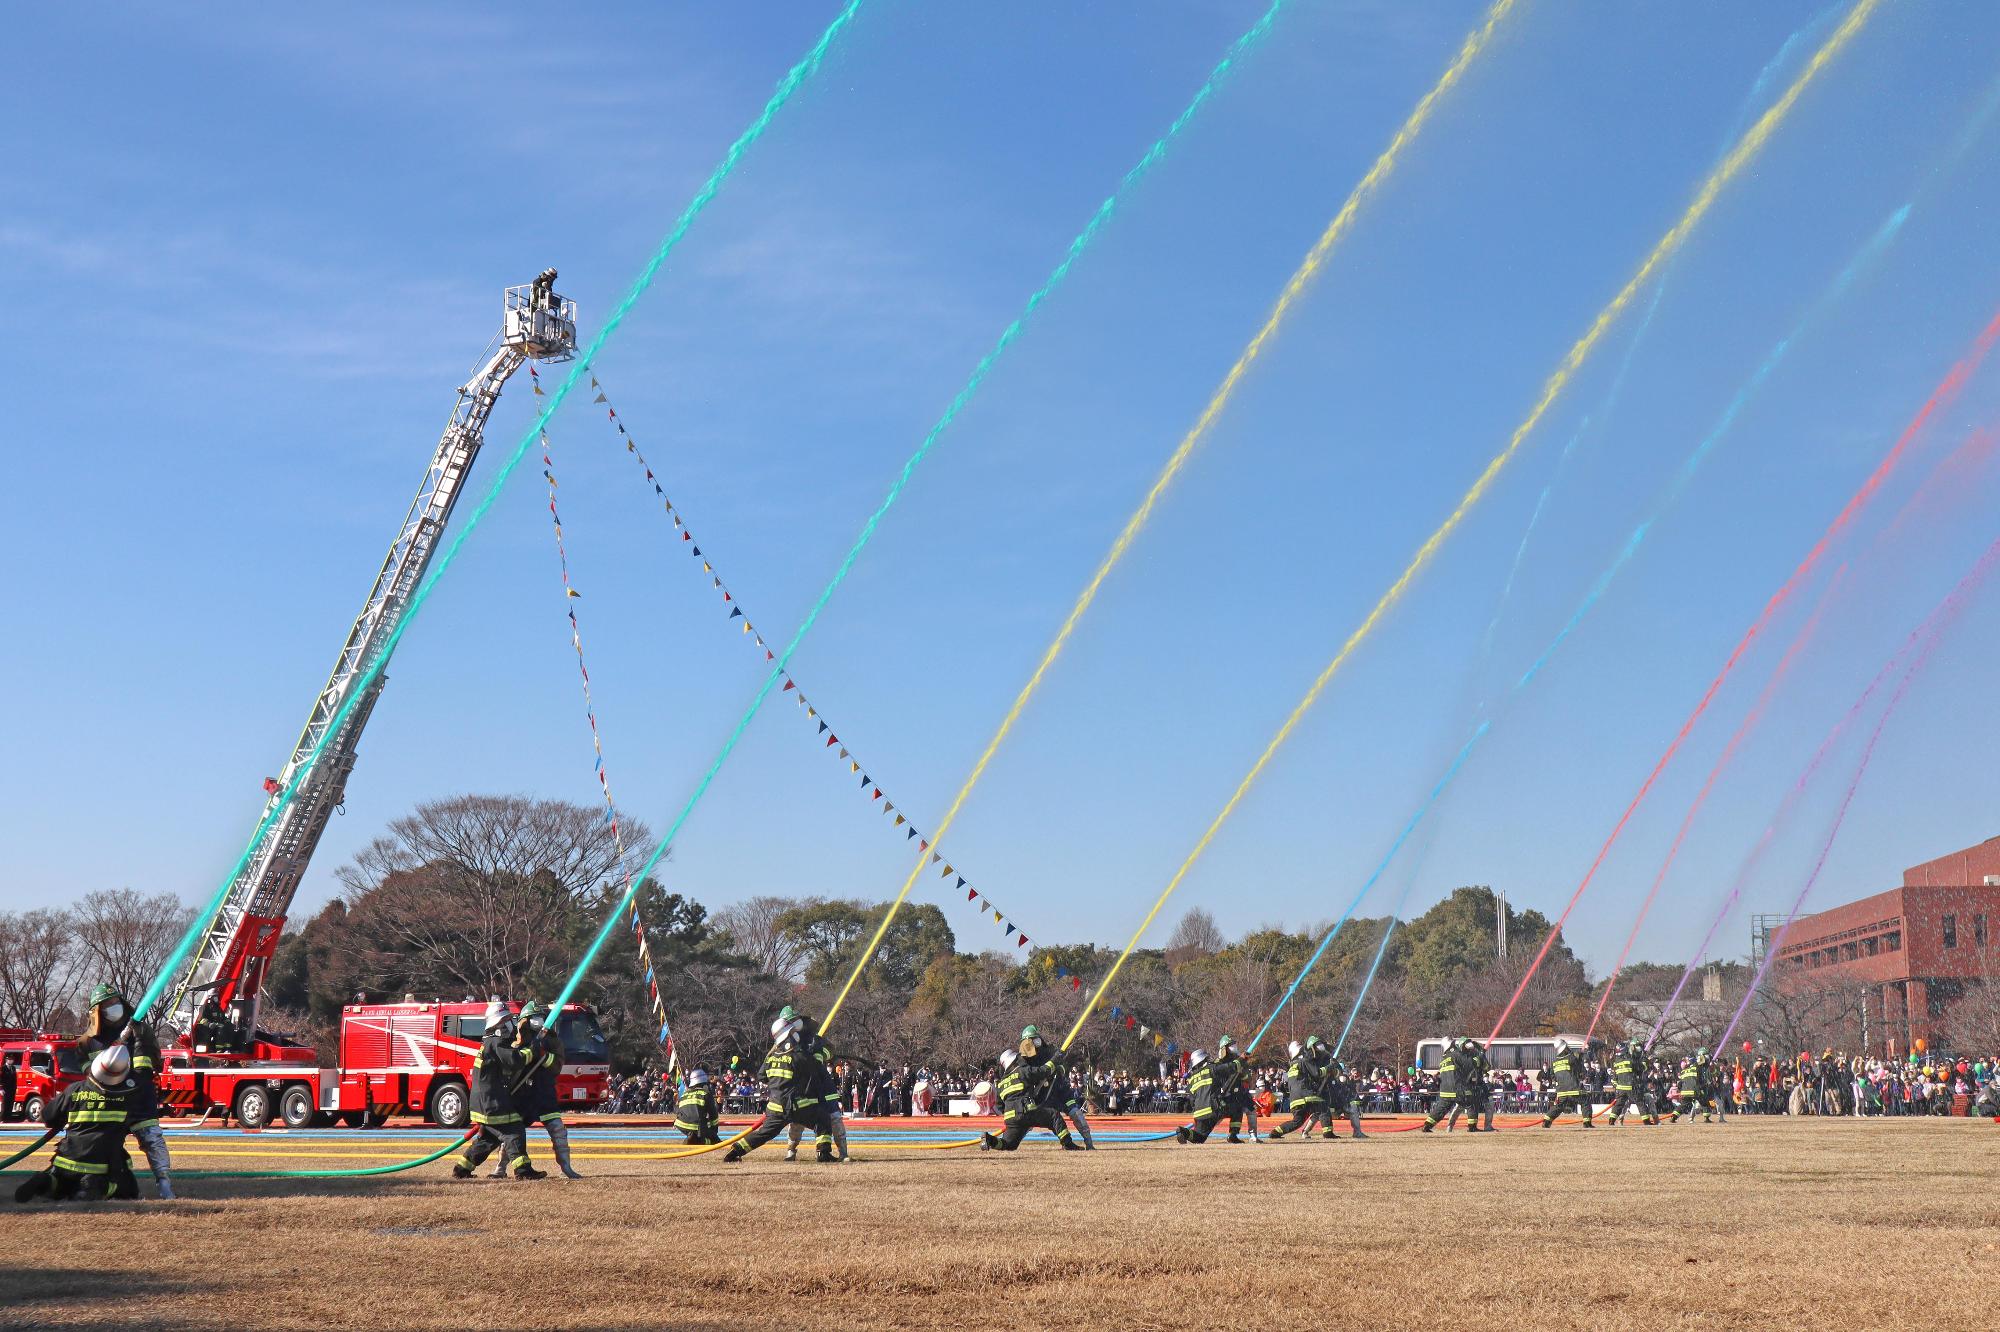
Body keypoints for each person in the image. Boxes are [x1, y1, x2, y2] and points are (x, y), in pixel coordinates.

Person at [76, 984, 172, 1199]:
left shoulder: (139, 1029)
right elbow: (88, 1074)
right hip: (108, 1104)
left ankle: (165, 1184)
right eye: (107, 1004)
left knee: (152, 1139)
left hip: (139, 1097)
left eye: (115, 1001)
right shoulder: (88, 1042)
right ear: (97, 1011)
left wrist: (139, 1066)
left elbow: (149, 1060)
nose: (113, 1006)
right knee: (103, 1145)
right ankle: (101, 1185)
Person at [13, 1046, 143, 1203]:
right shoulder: (128, 1097)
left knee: (60, 1185)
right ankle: (95, 1186)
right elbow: (139, 1124)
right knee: (129, 1189)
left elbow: (47, 1116)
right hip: (102, 1164)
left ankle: (46, 1182)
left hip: (67, 1161)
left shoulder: (75, 1090)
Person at [451, 1001, 545, 1180]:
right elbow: (515, 1060)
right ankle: (523, 1171)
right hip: (491, 1101)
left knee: (489, 1138)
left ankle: (462, 1168)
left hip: (481, 1101)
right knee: (514, 1129)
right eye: (508, 1021)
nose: (511, 1026)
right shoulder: (496, 1043)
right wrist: (534, 1046)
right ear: (499, 1024)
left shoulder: (488, 1043)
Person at [725, 1010, 833, 1163]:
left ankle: (735, 1151)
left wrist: (778, 1083)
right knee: (822, 1119)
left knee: (764, 1133)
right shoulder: (798, 1055)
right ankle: (824, 1153)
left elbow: (762, 1076)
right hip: (798, 1106)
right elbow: (815, 1069)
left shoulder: (772, 1057)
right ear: (790, 1034)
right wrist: (817, 1051)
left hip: (776, 1107)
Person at [489, 1002, 580, 1179]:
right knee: (512, 1133)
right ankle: (500, 1167)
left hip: (544, 1093)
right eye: (533, 1018)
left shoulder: (552, 1040)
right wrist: (526, 1051)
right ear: (525, 1020)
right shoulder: (516, 1039)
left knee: (558, 1130)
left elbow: (557, 1065)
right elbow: (511, 1062)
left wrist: (544, 1055)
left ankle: (566, 1168)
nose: (537, 1021)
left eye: (540, 1017)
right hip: (522, 1094)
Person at [983, 1031, 1081, 1152]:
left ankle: (989, 1139)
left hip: (1011, 1118)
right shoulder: (1022, 1071)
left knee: (1009, 1144)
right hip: (1026, 1111)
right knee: (1054, 1116)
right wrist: (1057, 1057)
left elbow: (999, 1105)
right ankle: (1068, 1144)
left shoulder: (1002, 1083)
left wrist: (1012, 1113)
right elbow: (1044, 1070)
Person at [783, 1013, 849, 1162]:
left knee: (834, 1119)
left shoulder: (815, 1039)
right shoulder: (788, 1042)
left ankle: (841, 1153)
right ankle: (791, 1151)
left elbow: (831, 1051)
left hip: (823, 1085)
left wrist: (820, 1052)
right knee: (796, 1121)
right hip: (803, 1086)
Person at [1023, 1025, 1094, 1149]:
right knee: (1029, 1119)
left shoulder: (1049, 1051)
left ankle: (1089, 1143)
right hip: (1042, 1094)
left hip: (1060, 1089)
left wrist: (1060, 1066)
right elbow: (1034, 1073)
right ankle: (1010, 1141)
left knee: (1075, 1113)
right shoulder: (1025, 1060)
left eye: (1033, 1039)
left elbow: (1061, 1066)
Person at [1267, 1039, 1331, 1140]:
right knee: (1323, 1107)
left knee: (1297, 1121)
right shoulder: (1304, 1061)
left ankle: (1275, 1132)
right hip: (1305, 1094)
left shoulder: (1293, 1065)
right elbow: (1317, 1073)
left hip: (1295, 1099)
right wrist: (1329, 1067)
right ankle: (1328, 1133)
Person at [1208, 1036, 1260, 1143]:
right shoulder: (1218, 1062)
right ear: (1224, 1048)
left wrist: (1245, 1071)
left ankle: (1249, 1136)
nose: (1234, 1047)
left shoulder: (1239, 1060)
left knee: (1251, 1110)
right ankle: (1200, 1133)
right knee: (1216, 1118)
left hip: (1239, 1093)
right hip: (1225, 1094)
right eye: (1231, 1045)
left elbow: (1246, 1078)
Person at [1539, 1038, 1594, 1129]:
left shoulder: (1555, 1062)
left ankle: (1546, 1121)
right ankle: (1587, 1123)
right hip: (1573, 1088)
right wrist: (1586, 1051)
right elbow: (1579, 1067)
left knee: (1559, 1106)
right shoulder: (1572, 1057)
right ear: (1565, 1047)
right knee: (1585, 1101)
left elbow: (1553, 1076)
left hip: (1561, 1090)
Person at [1606, 1041, 1658, 1127]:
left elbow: (1615, 1077)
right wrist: (1644, 1059)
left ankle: (1611, 1120)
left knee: (1619, 1104)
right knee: (1640, 1102)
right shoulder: (1630, 1060)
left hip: (1621, 1088)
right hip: (1631, 1087)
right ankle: (1646, 1121)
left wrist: (1616, 1086)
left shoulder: (1616, 1062)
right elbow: (1641, 1068)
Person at [1670, 1048, 1726, 1125]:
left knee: (1683, 1105)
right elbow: (1703, 1064)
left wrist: (1681, 1091)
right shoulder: (1697, 1067)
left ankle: (1674, 1116)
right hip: (1695, 1090)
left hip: (1685, 1091)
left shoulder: (1684, 1070)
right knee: (1705, 1101)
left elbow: (1680, 1084)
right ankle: (1706, 1118)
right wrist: (1709, 1059)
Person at [1421, 1038, 1463, 1133]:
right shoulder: (1456, 1054)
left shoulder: (1443, 1059)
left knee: (1441, 1109)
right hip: (1456, 1088)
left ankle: (1428, 1125)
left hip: (1445, 1090)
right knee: (1470, 1103)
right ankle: (1471, 1126)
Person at [675, 1069, 721, 1144]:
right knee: (715, 1141)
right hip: (695, 1126)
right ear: (703, 1082)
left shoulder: (684, 1094)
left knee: (700, 1131)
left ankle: (693, 1136)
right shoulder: (705, 1094)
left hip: (681, 1125)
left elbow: (678, 1109)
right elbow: (713, 1114)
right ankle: (697, 1140)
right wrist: (714, 1131)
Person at [0, 1051, 15, 1123]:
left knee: (10, 1104)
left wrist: (15, 1088)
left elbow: (14, 1079)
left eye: (12, 1059)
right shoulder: (3, 1068)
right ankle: (3, 1118)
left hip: (12, 1089)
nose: (11, 1060)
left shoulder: (13, 1068)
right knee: (5, 1104)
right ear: (6, 1060)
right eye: (9, 1059)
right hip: (5, 1089)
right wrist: (1, 1088)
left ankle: (8, 1118)